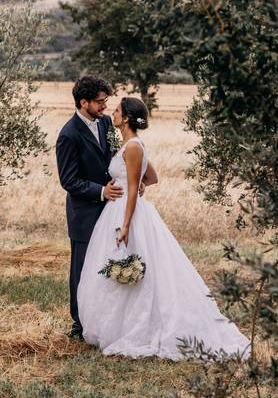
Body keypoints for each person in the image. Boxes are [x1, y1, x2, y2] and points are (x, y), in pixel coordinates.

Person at [76, 96, 251, 359]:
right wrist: (137, 181)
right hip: (116, 209)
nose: (112, 113)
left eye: (116, 110)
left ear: (125, 118)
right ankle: (118, 324)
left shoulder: (133, 146)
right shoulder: (129, 145)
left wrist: (125, 224)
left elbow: (135, 187)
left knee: (135, 267)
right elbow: (151, 177)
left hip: (127, 213)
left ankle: (139, 327)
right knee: (120, 267)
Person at [55, 76, 124, 341]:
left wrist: (126, 181)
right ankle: (79, 325)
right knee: (81, 269)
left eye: (105, 101)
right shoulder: (68, 135)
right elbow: (69, 181)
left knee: (107, 263)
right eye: (99, 102)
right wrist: (101, 191)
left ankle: (104, 320)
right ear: (83, 102)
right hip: (84, 213)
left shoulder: (106, 123)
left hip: (111, 210)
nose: (104, 107)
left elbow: (115, 155)